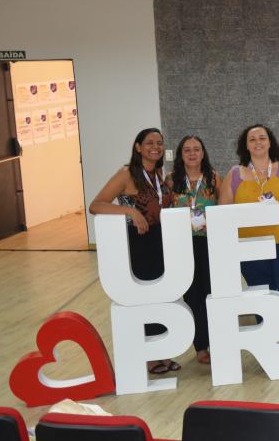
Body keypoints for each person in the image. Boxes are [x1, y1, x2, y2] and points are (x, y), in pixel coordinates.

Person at [89, 128, 178, 374]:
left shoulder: (159, 174)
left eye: (160, 143)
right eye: (149, 142)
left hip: (161, 242)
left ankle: (162, 352)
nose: (156, 147)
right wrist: (130, 211)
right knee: (145, 299)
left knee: (162, 298)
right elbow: (96, 205)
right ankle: (150, 358)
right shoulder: (126, 173)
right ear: (138, 147)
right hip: (138, 244)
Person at [219, 124, 279, 357]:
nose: (258, 142)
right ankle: (271, 349)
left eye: (262, 138)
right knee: (262, 299)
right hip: (250, 250)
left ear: (270, 142)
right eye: (252, 139)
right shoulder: (234, 175)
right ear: (245, 145)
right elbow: (223, 212)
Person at [166, 135, 220, 365]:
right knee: (192, 296)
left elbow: (224, 208)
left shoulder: (215, 178)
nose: (192, 153)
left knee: (211, 293)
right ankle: (200, 347)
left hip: (209, 243)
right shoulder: (171, 180)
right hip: (183, 245)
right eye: (186, 149)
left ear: (203, 153)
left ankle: (218, 342)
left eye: (196, 149)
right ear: (180, 154)